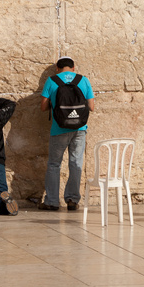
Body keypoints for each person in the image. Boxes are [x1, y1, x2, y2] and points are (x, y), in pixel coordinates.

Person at [40, 56, 94, 211]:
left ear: (57, 68)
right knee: (76, 163)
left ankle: (52, 201)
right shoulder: (83, 80)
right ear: (73, 68)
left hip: (59, 129)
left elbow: (43, 107)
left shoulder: (52, 80)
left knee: (54, 164)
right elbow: (91, 106)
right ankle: (72, 200)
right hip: (79, 129)